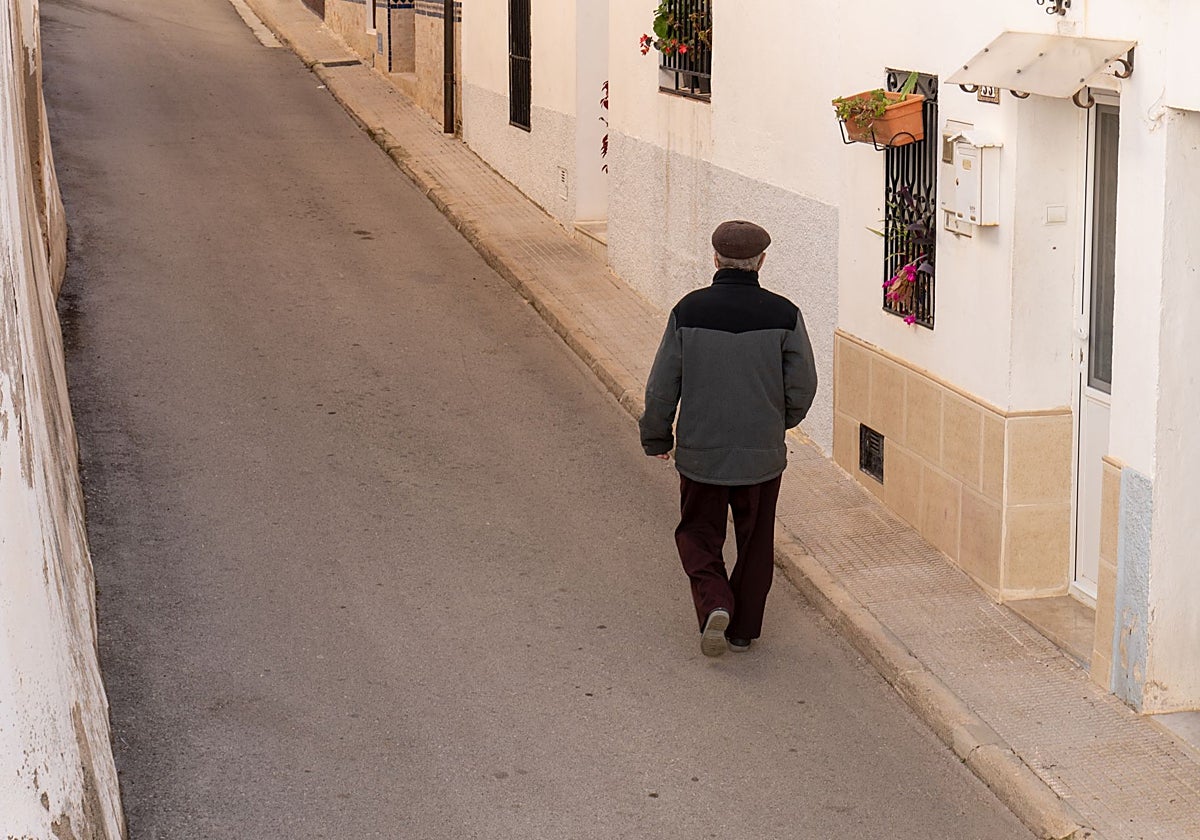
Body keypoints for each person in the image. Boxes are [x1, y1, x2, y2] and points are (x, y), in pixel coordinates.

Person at [639, 220, 818, 657]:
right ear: (761, 261)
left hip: (702, 453)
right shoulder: (785, 314)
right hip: (761, 456)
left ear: (715, 259)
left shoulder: (689, 311)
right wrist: (777, 424)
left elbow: (663, 384)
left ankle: (715, 600)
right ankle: (742, 631)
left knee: (698, 534)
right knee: (756, 541)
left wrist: (657, 437)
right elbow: (804, 386)